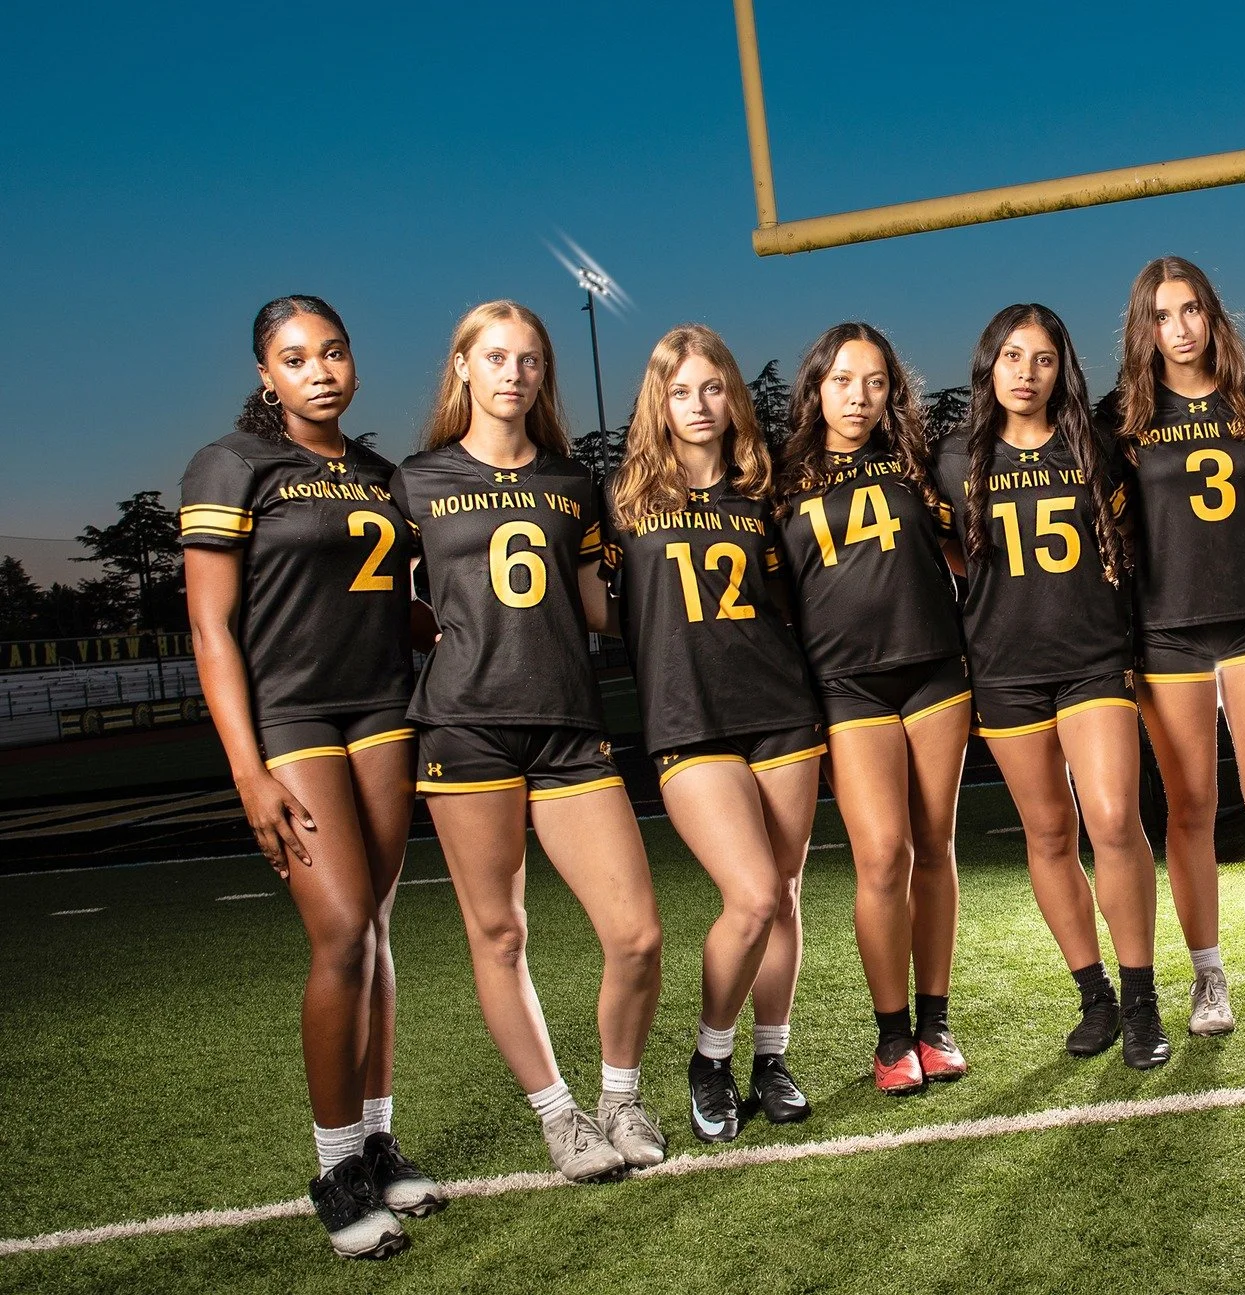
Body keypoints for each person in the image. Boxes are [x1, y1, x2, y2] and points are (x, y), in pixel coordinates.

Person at [181, 296, 444, 1259]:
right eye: (296, 359)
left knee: (374, 931)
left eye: (333, 352)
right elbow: (212, 629)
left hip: (383, 707)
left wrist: (465, 627)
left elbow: (395, 601)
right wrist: (247, 772)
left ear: (355, 363)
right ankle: (333, 1166)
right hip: (293, 716)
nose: (320, 370)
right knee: (337, 934)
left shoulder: (382, 477)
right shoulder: (232, 466)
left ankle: (378, 1142)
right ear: (267, 375)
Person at [393, 300, 665, 1183]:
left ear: (544, 376)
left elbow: (597, 606)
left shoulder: (574, 484)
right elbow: (388, 603)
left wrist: (668, 555)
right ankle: (560, 1114)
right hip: (464, 727)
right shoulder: (415, 482)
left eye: (532, 360)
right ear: (463, 366)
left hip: (566, 723)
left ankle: (620, 1095)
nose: (515, 373)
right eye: (497, 356)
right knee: (500, 932)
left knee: (636, 934)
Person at [931, 303, 1171, 1069]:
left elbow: (1133, 541)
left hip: (1093, 656)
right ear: (988, 365)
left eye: (1041, 359)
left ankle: (1141, 996)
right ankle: (1093, 994)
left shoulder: (1094, 449)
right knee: (1047, 832)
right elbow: (957, 557)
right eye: (1011, 356)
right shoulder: (954, 459)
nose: (1026, 373)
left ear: (1062, 368)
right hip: (1004, 666)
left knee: (1110, 815)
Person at [606, 325, 824, 1141]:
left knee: (787, 895)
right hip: (688, 718)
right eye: (679, 391)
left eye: (712, 388)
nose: (699, 406)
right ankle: (711, 1054)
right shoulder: (623, 499)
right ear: (656, 402)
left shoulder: (766, 491)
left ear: (732, 394)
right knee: (754, 892)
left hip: (780, 711)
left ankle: (772, 1058)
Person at [1100, 256, 1245, 1033]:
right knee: (1191, 806)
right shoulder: (1122, 417)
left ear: (1212, 316)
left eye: (1191, 310)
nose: (1180, 328)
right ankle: (1207, 975)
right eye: (1163, 315)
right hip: (1167, 630)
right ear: (1144, 328)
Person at [776, 323, 970, 1094]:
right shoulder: (780, 477)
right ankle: (890, 1038)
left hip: (933, 671)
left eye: (876, 382)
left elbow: (965, 552)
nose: (859, 397)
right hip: (846, 683)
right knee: (882, 853)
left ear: (895, 390)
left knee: (934, 843)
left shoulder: (921, 462)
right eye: (844, 381)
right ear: (816, 386)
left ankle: (934, 1022)